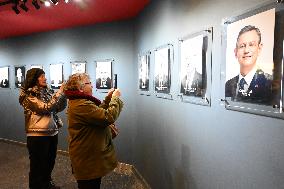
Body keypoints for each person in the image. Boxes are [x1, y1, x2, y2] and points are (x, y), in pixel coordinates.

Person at [63, 73, 123, 189]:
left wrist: (108, 98)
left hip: (88, 156)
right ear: (80, 88)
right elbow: (108, 117)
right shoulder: (81, 105)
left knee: (93, 184)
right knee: (89, 185)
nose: (92, 86)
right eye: (89, 83)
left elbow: (96, 113)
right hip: (87, 158)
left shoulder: (80, 102)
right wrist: (115, 98)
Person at [19, 68, 67, 189]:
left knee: (49, 163)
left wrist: (64, 95)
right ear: (34, 79)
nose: (45, 78)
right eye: (41, 76)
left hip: (52, 132)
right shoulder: (28, 95)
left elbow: (57, 108)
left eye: (44, 76)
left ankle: (46, 184)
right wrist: (60, 93)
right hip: (37, 135)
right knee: (37, 166)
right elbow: (45, 107)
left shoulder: (47, 92)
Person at [225, 25, 273, 104]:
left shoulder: (271, 84)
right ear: (235, 52)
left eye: (251, 44)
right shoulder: (228, 84)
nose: (246, 50)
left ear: (259, 49)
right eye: (242, 46)